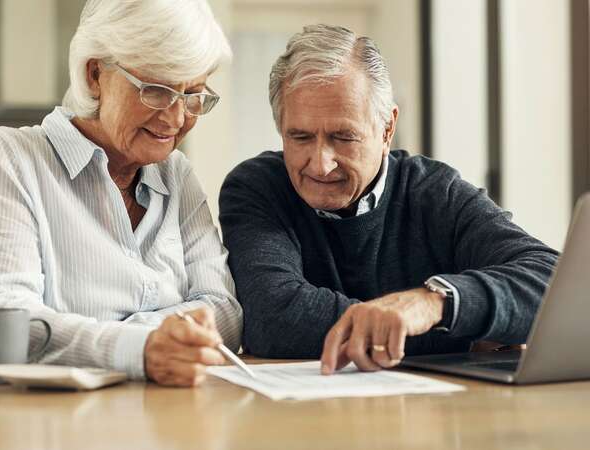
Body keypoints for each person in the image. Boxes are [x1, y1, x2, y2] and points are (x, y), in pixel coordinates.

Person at [218, 24, 559, 375]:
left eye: (343, 136)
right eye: (300, 137)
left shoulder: (435, 191)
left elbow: (554, 285)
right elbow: (274, 321)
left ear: (387, 128)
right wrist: (466, 331)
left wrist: (432, 304)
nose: (320, 163)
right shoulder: (257, 187)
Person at [0, 0, 242, 387]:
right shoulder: (8, 159)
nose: (175, 118)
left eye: (192, 95)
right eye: (156, 90)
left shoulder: (177, 176)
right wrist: (141, 348)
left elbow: (224, 311)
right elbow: (5, 321)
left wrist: (140, 340)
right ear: (94, 76)